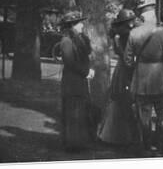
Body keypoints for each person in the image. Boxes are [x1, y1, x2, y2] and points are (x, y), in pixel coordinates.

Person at [124, 0, 163, 155]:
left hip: (141, 78)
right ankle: (159, 146)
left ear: (142, 16)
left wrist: (137, 69)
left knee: (144, 115)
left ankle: (146, 147)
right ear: (153, 15)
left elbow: (127, 60)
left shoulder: (134, 33)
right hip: (160, 78)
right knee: (162, 114)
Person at [97, 9, 140, 145]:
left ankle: (116, 134)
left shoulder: (120, 34)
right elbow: (124, 54)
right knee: (124, 98)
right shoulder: (124, 36)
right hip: (126, 67)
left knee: (119, 98)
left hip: (122, 67)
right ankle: (123, 135)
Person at [59, 10, 95, 151]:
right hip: (72, 81)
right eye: (79, 23)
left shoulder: (79, 39)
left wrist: (87, 70)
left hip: (79, 79)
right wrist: (86, 72)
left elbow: (82, 57)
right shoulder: (66, 41)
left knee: (80, 111)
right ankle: (72, 144)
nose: (82, 25)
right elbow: (70, 62)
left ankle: (79, 142)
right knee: (73, 111)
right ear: (72, 25)